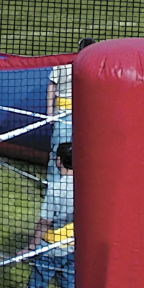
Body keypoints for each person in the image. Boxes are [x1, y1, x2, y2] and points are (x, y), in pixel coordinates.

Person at [19, 142, 75, 288]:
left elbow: (44, 222)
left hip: (50, 249)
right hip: (71, 249)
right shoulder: (84, 186)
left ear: (59, 161)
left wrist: (31, 247)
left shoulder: (56, 188)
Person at [46, 37, 94, 183]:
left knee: (80, 150)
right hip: (64, 114)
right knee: (59, 149)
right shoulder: (65, 65)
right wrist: (50, 113)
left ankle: (76, 183)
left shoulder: (94, 67)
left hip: (83, 114)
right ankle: (53, 183)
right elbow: (52, 86)